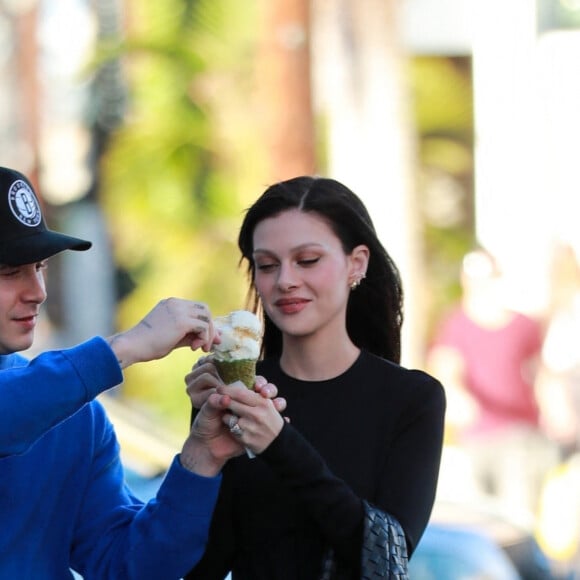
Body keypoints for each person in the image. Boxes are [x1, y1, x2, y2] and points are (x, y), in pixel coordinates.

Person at [0, 166, 286, 579]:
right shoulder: (62, 397)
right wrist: (124, 348)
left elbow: (130, 567)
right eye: (10, 272)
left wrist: (202, 456)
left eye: (41, 267)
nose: (37, 291)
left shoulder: (78, 418)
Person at [184, 176, 446, 579]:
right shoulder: (239, 396)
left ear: (356, 264)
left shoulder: (412, 399)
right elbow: (203, 564)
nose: (285, 280)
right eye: (267, 265)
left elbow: (385, 554)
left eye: (307, 260)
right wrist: (202, 452)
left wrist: (279, 444)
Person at [427, 247, 558, 520]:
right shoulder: (455, 325)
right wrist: (458, 397)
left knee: (517, 514)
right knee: (483, 516)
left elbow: (541, 375)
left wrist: (558, 413)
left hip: (518, 435)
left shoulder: (523, 325)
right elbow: (446, 368)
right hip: (475, 437)